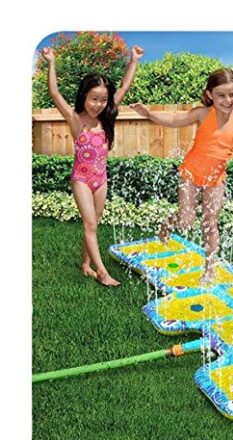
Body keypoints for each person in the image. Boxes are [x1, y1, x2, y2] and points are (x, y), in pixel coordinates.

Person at [131, 68, 233, 284]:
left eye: (232, 94)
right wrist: (150, 114)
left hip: (216, 179)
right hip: (191, 174)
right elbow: (174, 119)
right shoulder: (203, 113)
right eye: (221, 95)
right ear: (210, 95)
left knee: (210, 222)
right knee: (186, 220)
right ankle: (168, 224)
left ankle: (209, 269)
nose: (227, 100)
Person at [42, 45, 144, 286]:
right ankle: (102, 272)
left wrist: (134, 60)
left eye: (103, 99)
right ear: (84, 97)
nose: (98, 104)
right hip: (81, 179)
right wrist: (52, 63)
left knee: (93, 225)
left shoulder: (107, 116)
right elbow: (55, 94)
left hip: (101, 180)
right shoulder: (76, 119)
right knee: (89, 224)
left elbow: (124, 87)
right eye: (94, 99)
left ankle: (85, 264)